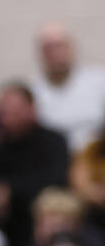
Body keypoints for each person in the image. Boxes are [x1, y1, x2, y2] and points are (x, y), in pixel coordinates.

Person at [0, 83, 69, 246]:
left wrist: (11, 189)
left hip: (36, 220)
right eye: (3, 110)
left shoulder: (53, 141)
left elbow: (55, 180)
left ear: (31, 110)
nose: (7, 116)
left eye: (14, 110)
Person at [30, 22, 105, 154]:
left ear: (72, 48)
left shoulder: (99, 81)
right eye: (48, 48)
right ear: (40, 54)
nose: (55, 53)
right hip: (51, 161)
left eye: (59, 46)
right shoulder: (32, 90)